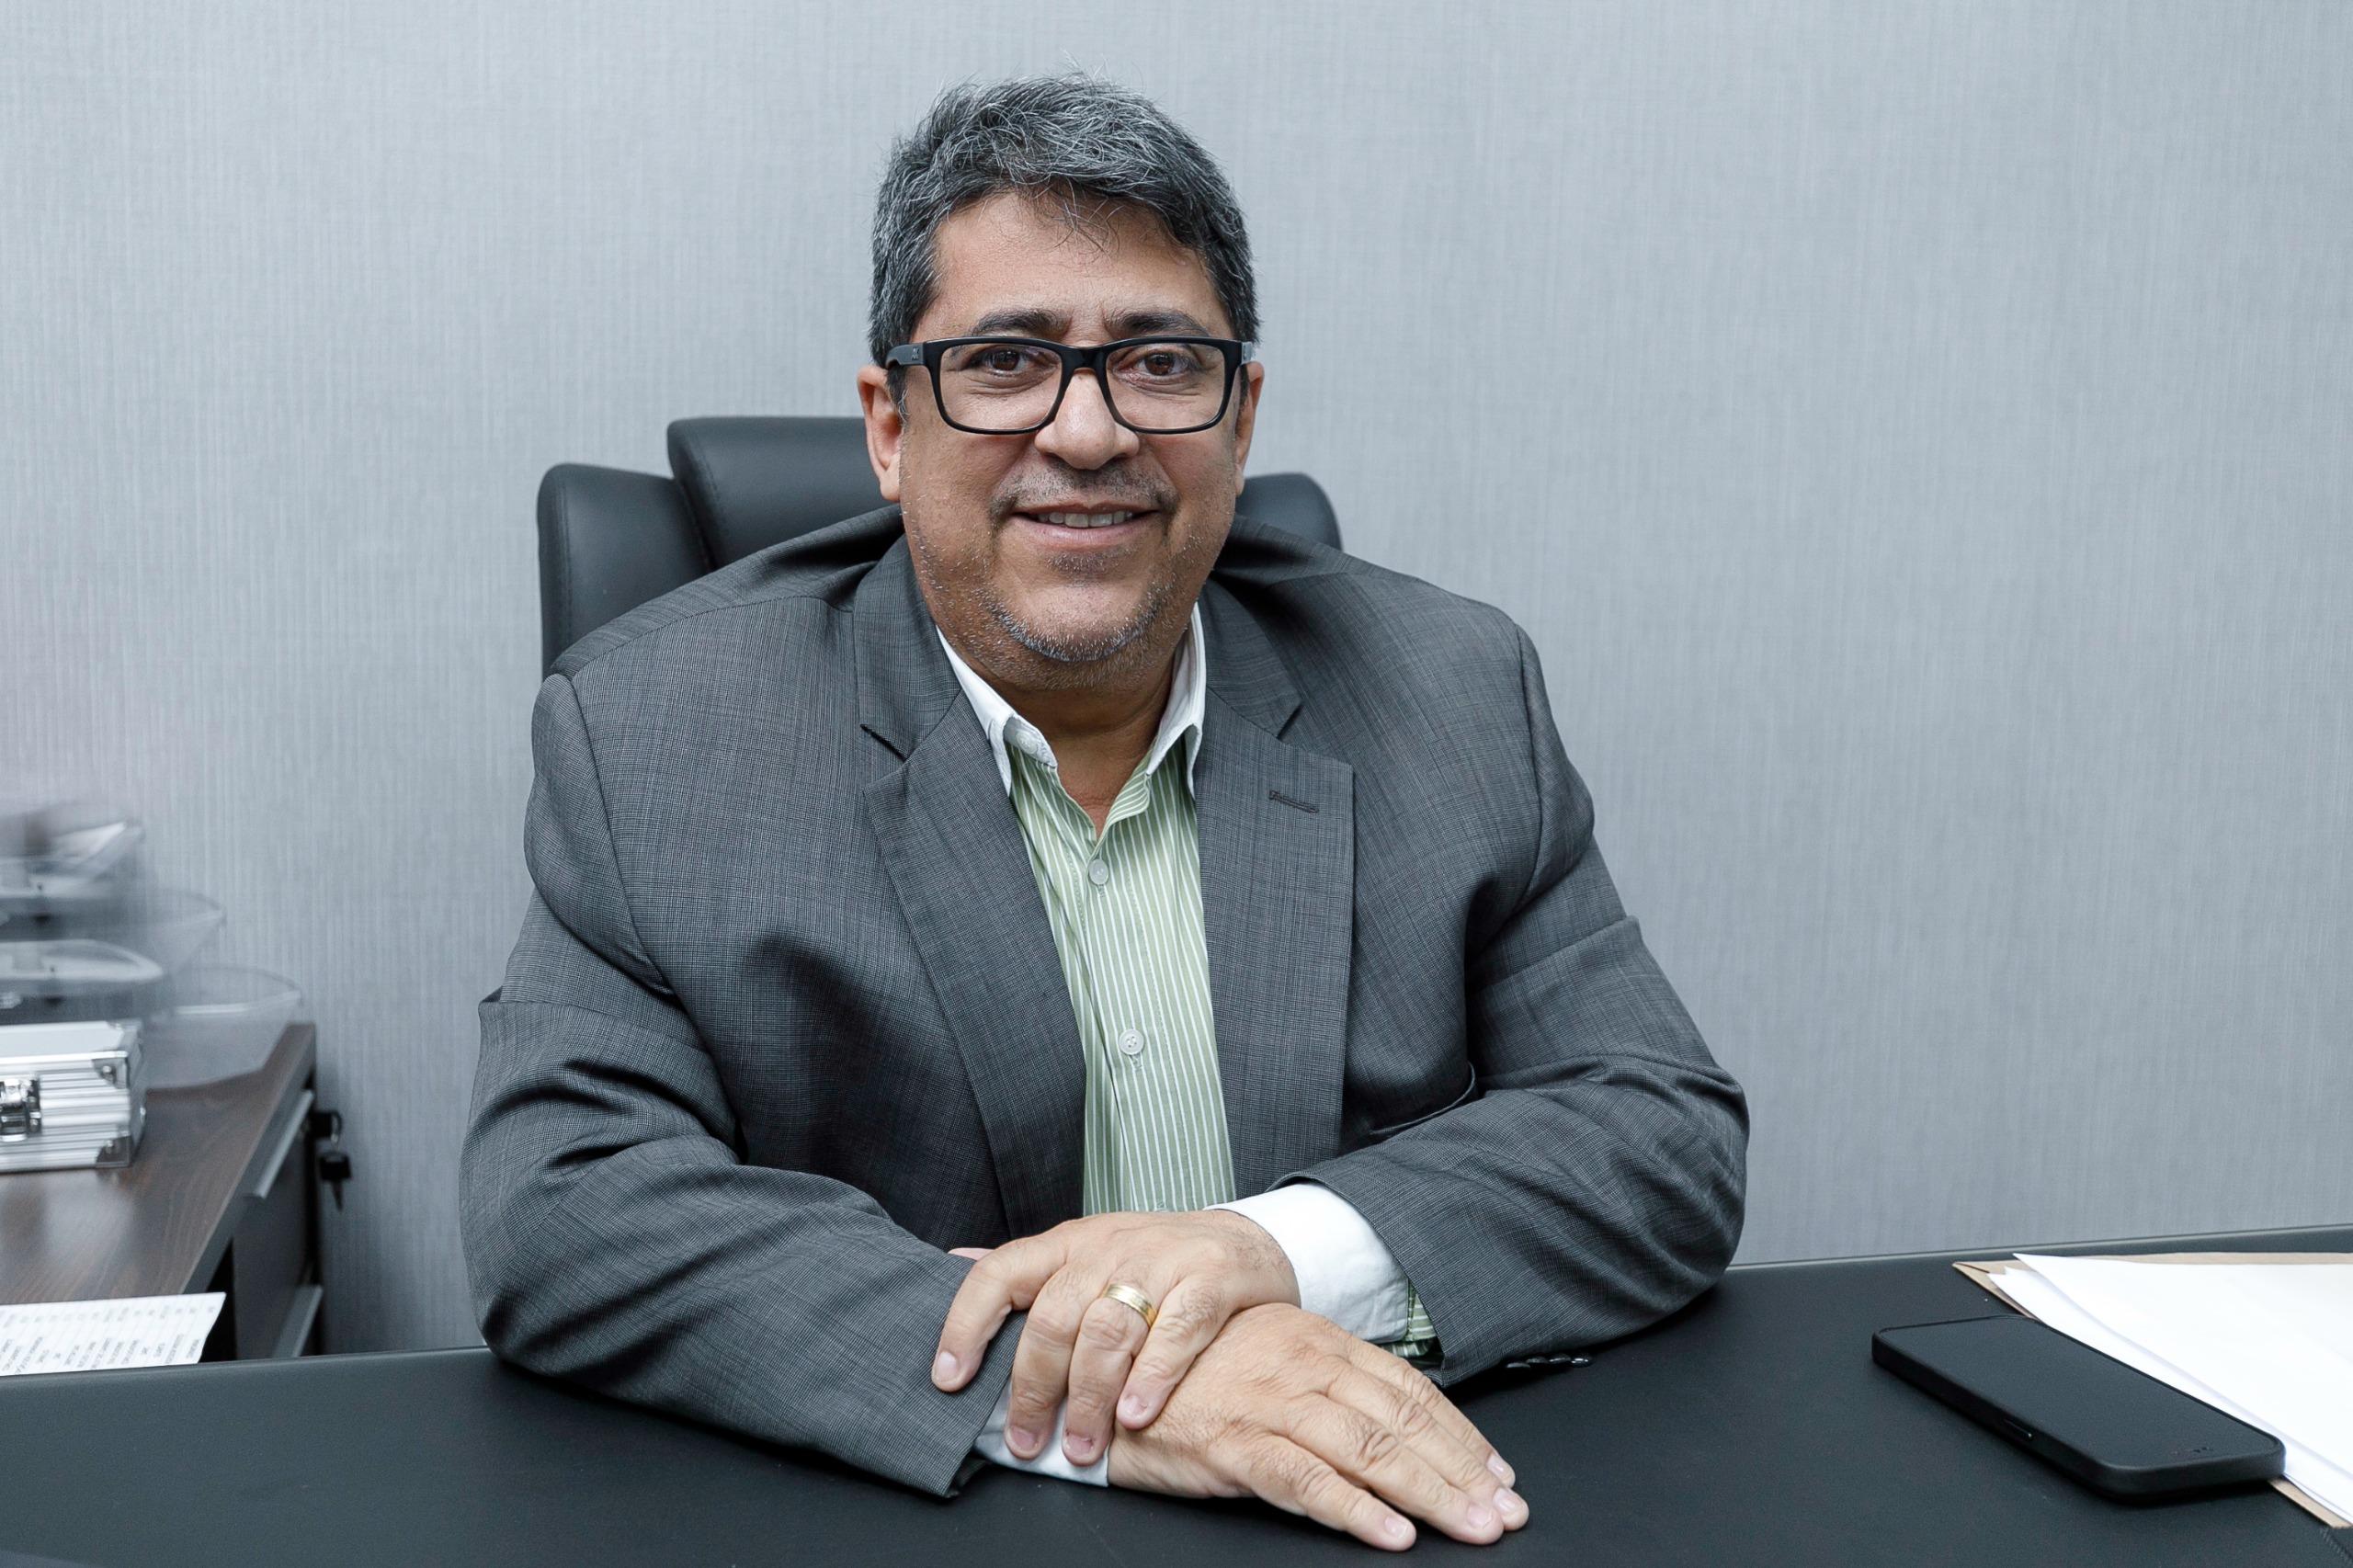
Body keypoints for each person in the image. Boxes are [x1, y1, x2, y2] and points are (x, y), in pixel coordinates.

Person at [462, 74, 1747, 1551]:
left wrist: (1268, 1254)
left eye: (1160, 362)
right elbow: (563, 1207)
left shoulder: (1449, 690)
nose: (1086, 431)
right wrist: (1092, 1379)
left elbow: (1658, 1132)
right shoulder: (659, 735)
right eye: (1005, 362)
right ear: (890, 426)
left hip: (1367, 1511)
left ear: (1240, 416)